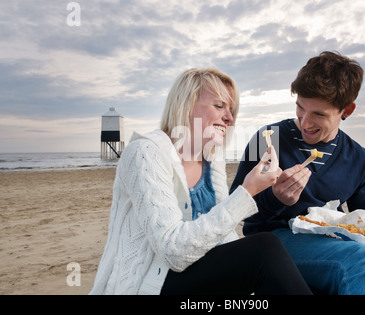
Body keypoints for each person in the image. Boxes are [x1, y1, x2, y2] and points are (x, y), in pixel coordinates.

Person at [230, 51, 365, 295]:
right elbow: (237, 213)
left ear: (348, 109)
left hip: (338, 240)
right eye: (300, 108)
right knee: (361, 259)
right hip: (274, 242)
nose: (305, 122)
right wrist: (275, 198)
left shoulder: (357, 157)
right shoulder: (269, 140)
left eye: (319, 114)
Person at [90, 68, 312, 295]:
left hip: (197, 276)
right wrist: (247, 191)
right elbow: (173, 251)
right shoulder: (145, 153)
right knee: (266, 249)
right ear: (185, 105)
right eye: (219, 106)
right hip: (150, 284)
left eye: (231, 109)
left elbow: (224, 237)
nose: (229, 118)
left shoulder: (211, 159)